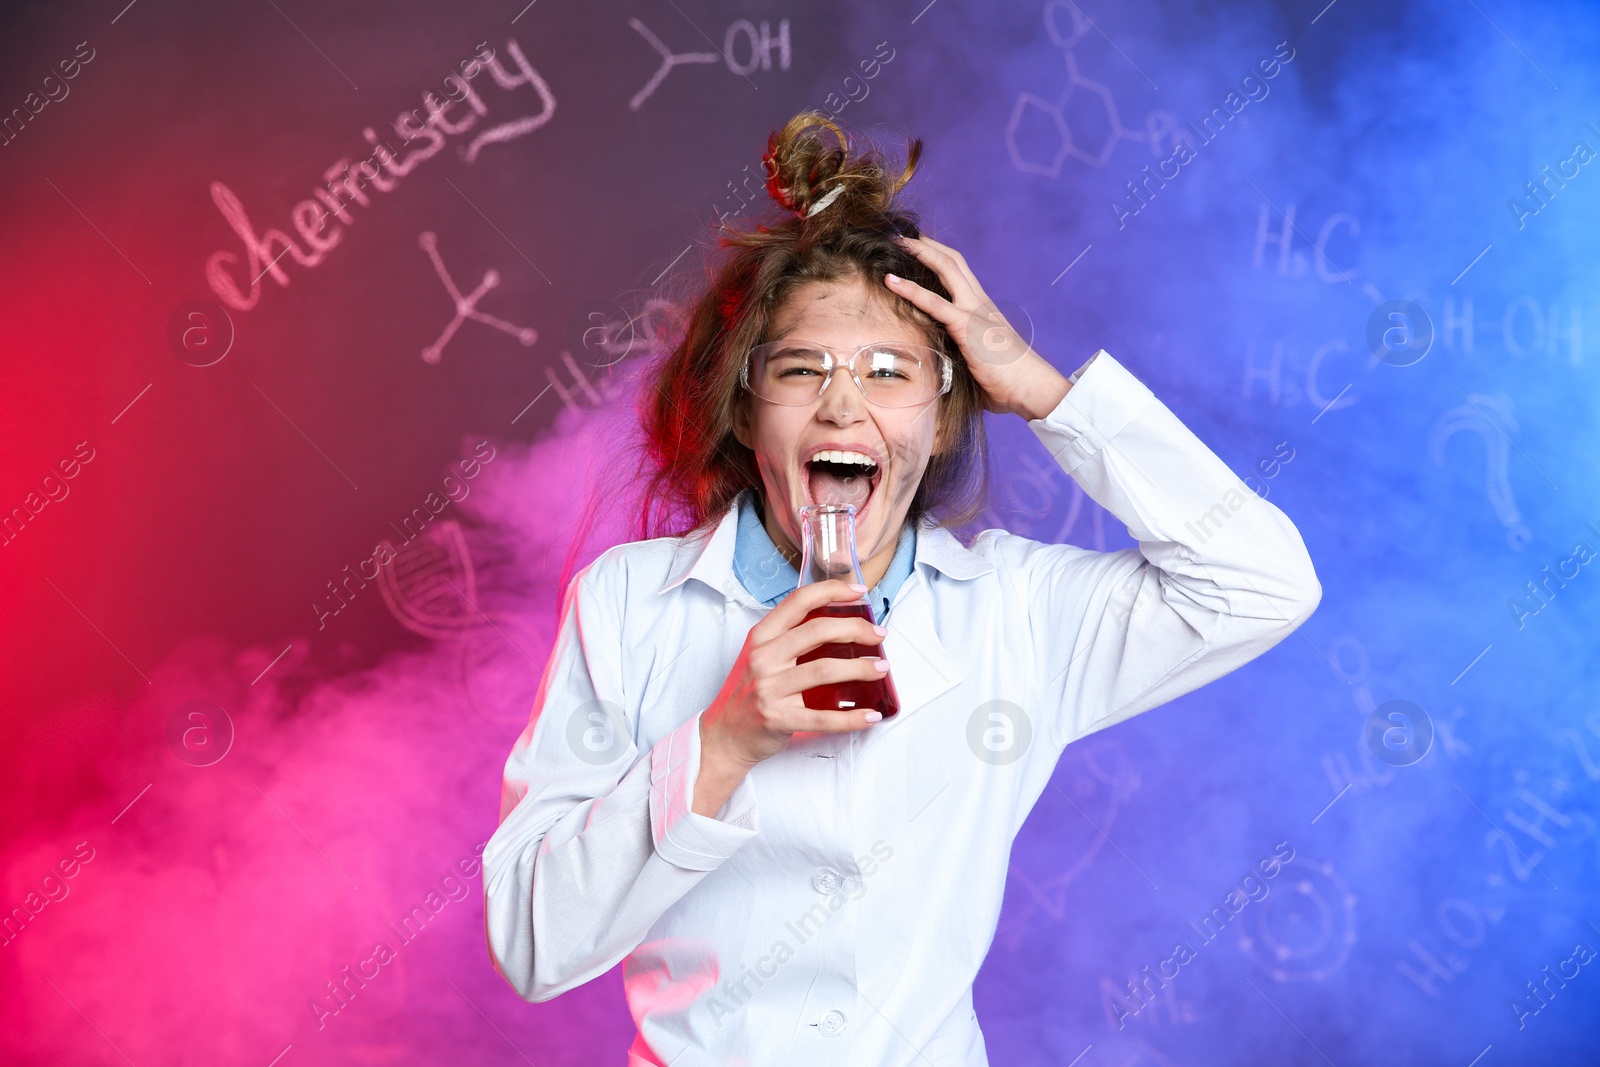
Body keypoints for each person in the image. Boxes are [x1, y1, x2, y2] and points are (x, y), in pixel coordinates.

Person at [482, 111, 1321, 1066]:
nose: (844, 402)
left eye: (891, 372)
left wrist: (1044, 388)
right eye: (802, 370)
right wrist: (722, 743)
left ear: (944, 413)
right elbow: (533, 942)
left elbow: (1262, 583)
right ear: (746, 410)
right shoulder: (627, 604)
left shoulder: (1016, 611)